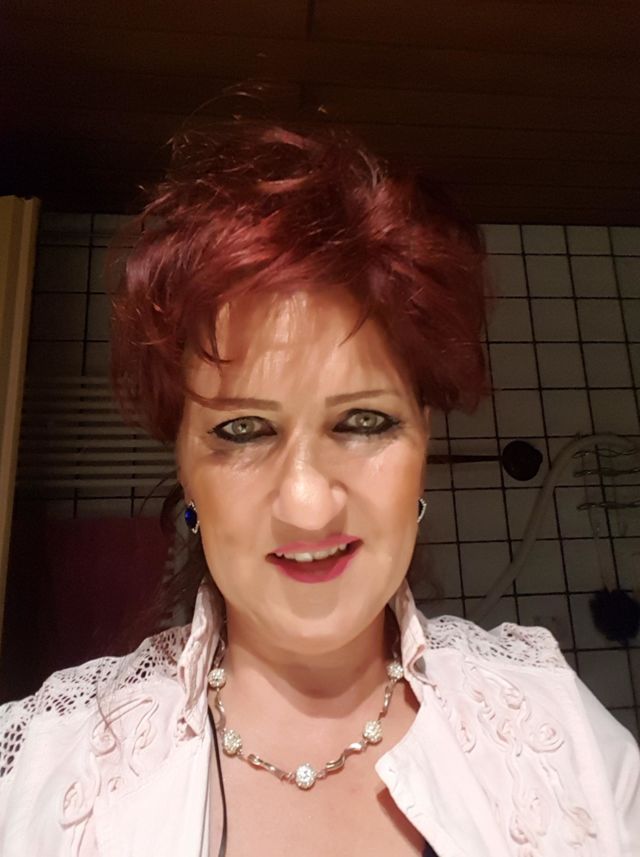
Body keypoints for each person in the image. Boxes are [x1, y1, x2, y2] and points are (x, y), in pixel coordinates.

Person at [1, 122, 638, 857]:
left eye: (363, 422)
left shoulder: (563, 739)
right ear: (184, 466)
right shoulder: (41, 776)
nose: (308, 505)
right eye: (243, 430)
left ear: (423, 442)